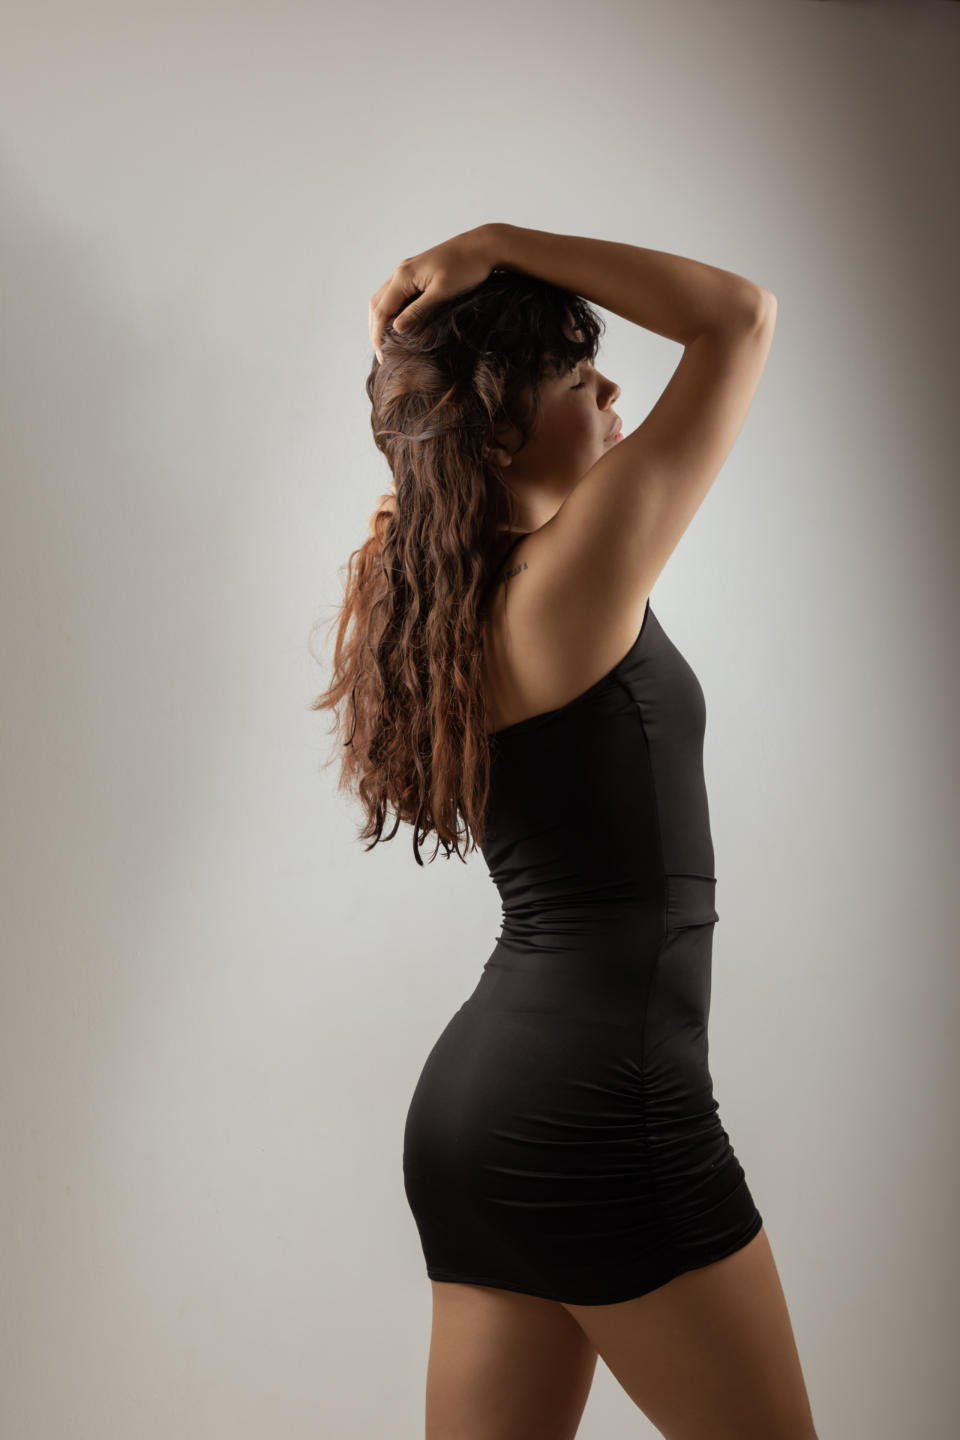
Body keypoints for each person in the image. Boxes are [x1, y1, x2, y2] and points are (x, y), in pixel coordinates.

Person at [317, 224, 817, 1438]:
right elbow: (738, 316)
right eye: (575, 373)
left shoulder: (425, 596)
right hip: (604, 1110)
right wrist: (495, 242)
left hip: (474, 1119)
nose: (610, 393)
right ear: (496, 431)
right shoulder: (569, 575)